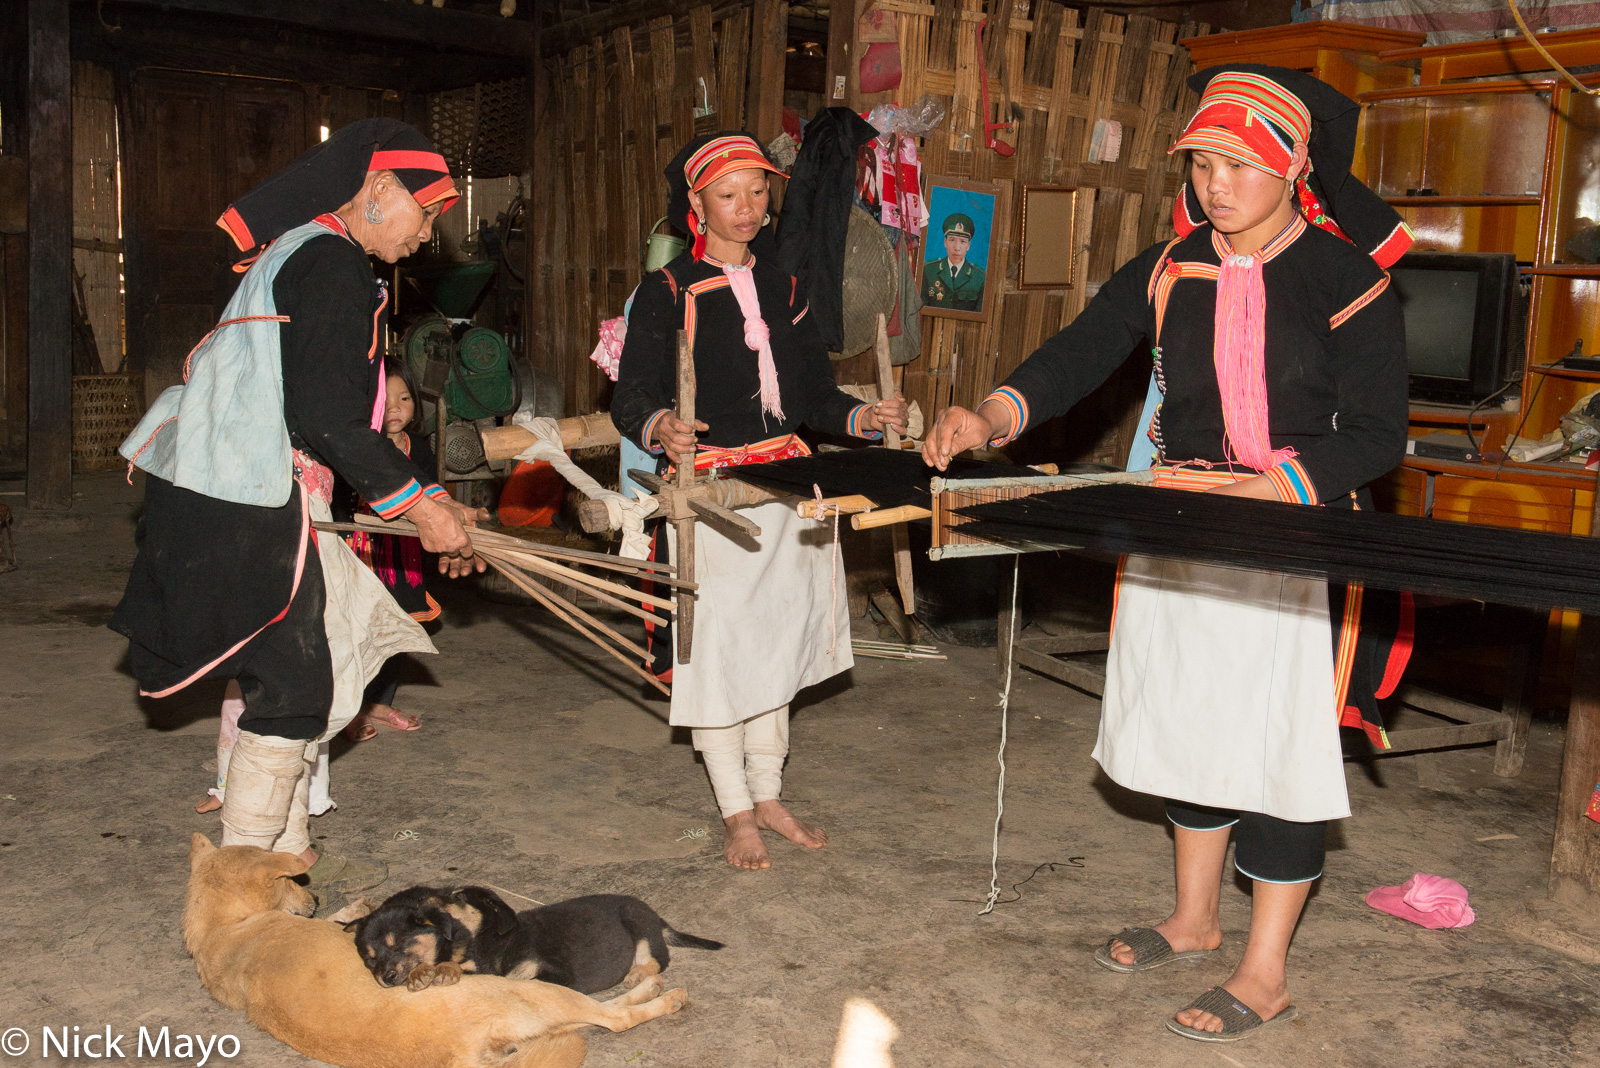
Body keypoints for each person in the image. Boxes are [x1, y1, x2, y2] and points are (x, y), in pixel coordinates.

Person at [923, 66, 1413, 1041]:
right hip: (1180, 524)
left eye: (1236, 164)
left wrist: (1275, 483)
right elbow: (1082, 350)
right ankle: (1193, 919)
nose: (1213, 184)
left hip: (1291, 536)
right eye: (1200, 163)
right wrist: (986, 413)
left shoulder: (1344, 277)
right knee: (1188, 721)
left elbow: (1376, 432)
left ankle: (1263, 969)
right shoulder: (1169, 267)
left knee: (1276, 748)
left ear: (1290, 165)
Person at [113, 119, 486, 892]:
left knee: (296, 675)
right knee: (292, 685)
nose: (427, 235)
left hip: (235, 488)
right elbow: (323, 418)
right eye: (427, 212)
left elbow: (317, 412)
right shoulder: (332, 264)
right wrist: (421, 507)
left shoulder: (306, 252)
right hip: (248, 497)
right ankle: (243, 884)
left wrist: (423, 499)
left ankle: (281, 854)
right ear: (381, 189)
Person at [612, 131, 909, 871]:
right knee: (720, 654)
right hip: (713, 493)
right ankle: (735, 810)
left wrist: (861, 419)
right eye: (728, 194)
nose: (746, 208)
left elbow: (809, 393)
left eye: (756, 190)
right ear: (696, 205)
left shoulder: (784, 287)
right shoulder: (668, 291)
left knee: (776, 644)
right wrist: (660, 424)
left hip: (785, 489)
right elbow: (631, 396)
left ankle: (769, 792)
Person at [340, 364, 451, 741]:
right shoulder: (359, 449)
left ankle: (381, 702)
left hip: (404, 555)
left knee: (400, 626)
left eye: (404, 399)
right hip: (366, 552)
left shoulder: (416, 446)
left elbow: (429, 487)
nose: (395, 409)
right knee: (361, 628)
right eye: (385, 401)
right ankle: (352, 708)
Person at [922, 213, 986, 311]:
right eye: (952, 240)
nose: (957, 248)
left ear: (968, 245)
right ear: (945, 242)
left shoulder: (980, 277)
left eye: (963, 241)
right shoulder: (928, 270)